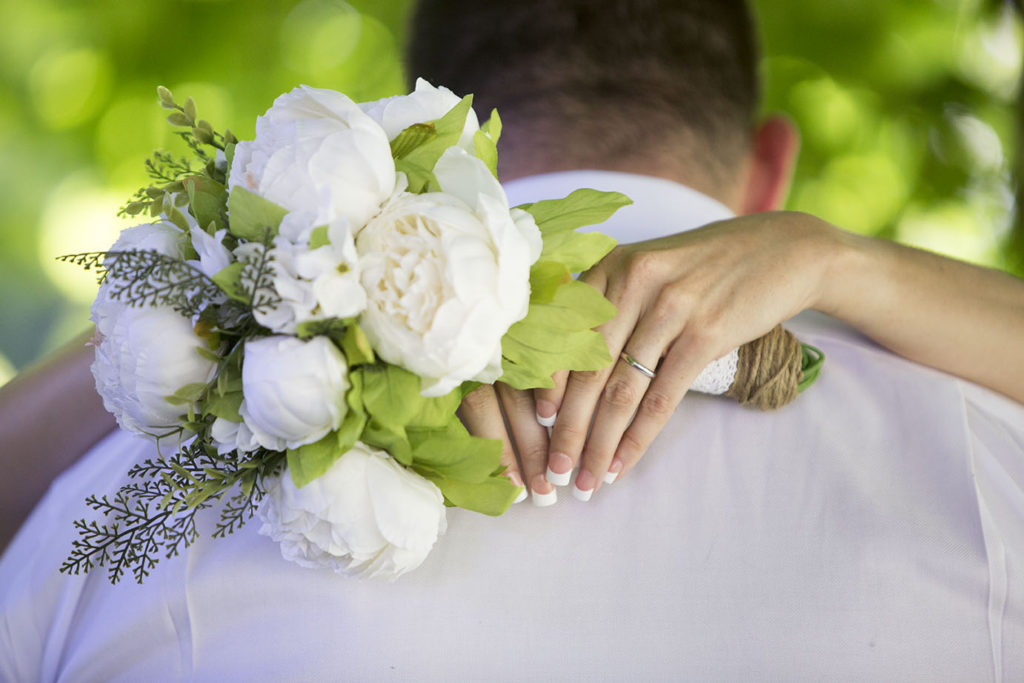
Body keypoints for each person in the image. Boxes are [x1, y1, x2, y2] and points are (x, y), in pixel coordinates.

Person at [2, 0, 1024, 679]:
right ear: (770, 164)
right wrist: (851, 263)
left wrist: (231, 289)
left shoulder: (115, 506)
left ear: (416, 132)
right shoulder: (984, 449)